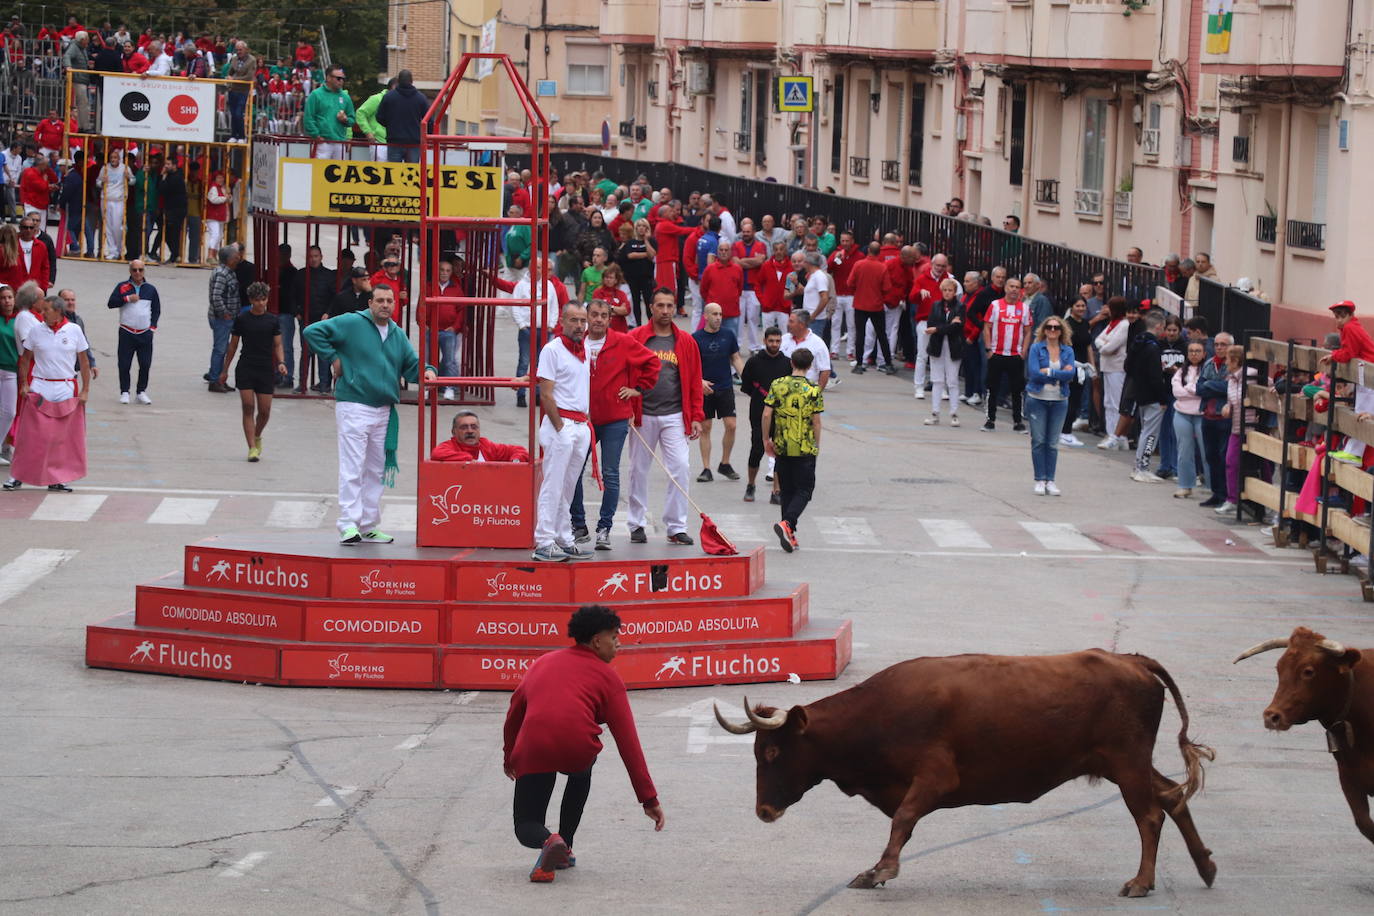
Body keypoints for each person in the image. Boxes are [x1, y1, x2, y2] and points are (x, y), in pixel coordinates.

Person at [503, 604, 664, 883]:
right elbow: (629, 743)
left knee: (526, 825)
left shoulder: (542, 662)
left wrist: (509, 757)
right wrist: (648, 798)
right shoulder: (609, 678)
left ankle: (550, 841)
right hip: (576, 749)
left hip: (533, 746)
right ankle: (565, 844)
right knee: (582, 770)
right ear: (596, 641)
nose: (619, 643)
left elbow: (514, 711)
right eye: (614, 637)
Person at [302, 283, 434, 544]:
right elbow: (312, 331)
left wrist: (427, 370)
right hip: (355, 404)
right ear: (370, 303)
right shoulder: (353, 322)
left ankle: (368, 524)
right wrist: (333, 357)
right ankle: (348, 523)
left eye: (389, 301)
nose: (385, 305)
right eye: (380, 300)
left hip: (383, 408)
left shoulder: (396, 333)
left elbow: (411, 364)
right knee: (353, 466)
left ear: (395, 305)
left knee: (375, 469)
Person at [569, 298, 658, 549]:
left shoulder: (624, 341)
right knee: (573, 470)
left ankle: (604, 528)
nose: (598, 319)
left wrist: (638, 389)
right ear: (587, 316)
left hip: (615, 419)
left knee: (610, 473)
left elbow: (652, 362)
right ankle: (578, 524)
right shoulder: (575, 342)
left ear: (610, 319)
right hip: (582, 419)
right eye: (594, 314)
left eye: (603, 315)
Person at [626, 287, 704, 546]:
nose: (666, 311)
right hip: (642, 416)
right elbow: (624, 374)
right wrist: (625, 409)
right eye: (660, 305)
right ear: (651, 307)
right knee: (638, 470)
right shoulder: (636, 337)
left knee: (680, 468)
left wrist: (696, 416)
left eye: (670, 306)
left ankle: (676, 526)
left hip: (674, 415)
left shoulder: (685, 341)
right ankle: (637, 523)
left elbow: (693, 381)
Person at [5, 295, 91, 491]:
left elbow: (84, 362)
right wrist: (24, 384)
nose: (42, 314)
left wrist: (85, 390)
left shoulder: (75, 330)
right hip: (40, 386)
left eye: (46, 310)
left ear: (58, 312)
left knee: (60, 438)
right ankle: (17, 475)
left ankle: (57, 478)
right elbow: (25, 358)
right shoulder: (36, 330)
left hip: (65, 388)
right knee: (30, 435)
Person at [531, 303, 594, 562]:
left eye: (582, 320)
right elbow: (545, 394)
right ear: (562, 321)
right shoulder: (551, 349)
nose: (579, 325)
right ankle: (543, 542)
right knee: (553, 484)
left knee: (568, 487)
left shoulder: (586, 349)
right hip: (562, 425)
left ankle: (563, 537)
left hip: (581, 425)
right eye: (574, 320)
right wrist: (560, 428)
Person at [763, 347, 824, 552]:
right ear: (810, 366)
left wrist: (766, 439)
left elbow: (766, 415)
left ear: (791, 363)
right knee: (805, 490)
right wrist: (816, 445)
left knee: (787, 490)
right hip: (804, 447)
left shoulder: (778, 384)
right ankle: (788, 523)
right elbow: (816, 422)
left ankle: (789, 532)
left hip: (782, 445)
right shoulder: (813, 389)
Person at [219, 282, 285, 462]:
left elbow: (278, 344)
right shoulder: (242, 319)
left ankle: (257, 435)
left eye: (264, 300)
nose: (261, 304)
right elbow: (233, 346)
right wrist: (225, 369)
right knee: (248, 407)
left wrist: (281, 362)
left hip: (265, 368)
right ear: (251, 301)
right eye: (257, 300)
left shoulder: (273, 320)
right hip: (246, 366)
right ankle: (252, 448)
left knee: (265, 411)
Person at [1024, 316, 1077, 496]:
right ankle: (1040, 479)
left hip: (1059, 399)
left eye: (1056, 328)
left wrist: (1050, 371)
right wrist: (1060, 373)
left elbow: (1071, 375)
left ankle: (1050, 480)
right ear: (1044, 330)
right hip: (1037, 397)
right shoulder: (1036, 348)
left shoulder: (1067, 350)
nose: (1052, 331)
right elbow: (1033, 373)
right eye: (1049, 327)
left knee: (1053, 443)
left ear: (1062, 331)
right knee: (1039, 440)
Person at [693, 302, 745, 482]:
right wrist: (698, 382)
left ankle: (725, 463)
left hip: (725, 387)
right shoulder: (696, 338)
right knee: (705, 428)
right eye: (714, 314)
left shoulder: (728, 335)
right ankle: (706, 468)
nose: (718, 318)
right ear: (705, 316)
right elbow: (691, 366)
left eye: (720, 314)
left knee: (731, 425)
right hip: (705, 390)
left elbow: (736, 358)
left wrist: (747, 378)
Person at [741, 326, 792, 504]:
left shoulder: (787, 363)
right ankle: (751, 484)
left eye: (778, 341)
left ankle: (776, 490)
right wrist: (760, 398)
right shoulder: (754, 362)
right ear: (764, 341)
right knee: (757, 449)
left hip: (781, 414)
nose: (774, 344)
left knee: (779, 451)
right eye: (771, 341)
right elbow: (746, 386)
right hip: (758, 413)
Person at [105, 260, 159, 405]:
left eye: (140, 270)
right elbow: (111, 303)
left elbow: (156, 309)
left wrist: (152, 327)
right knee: (124, 364)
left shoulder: (150, 289)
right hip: (126, 332)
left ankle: (141, 391)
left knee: (145, 364)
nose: (137, 273)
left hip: (144, 333)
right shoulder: (122, 286)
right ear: (130, 271)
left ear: (144, 271)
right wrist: (127, 299)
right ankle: (124, 391)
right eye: (134, 270)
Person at [981, 275, 1030, 433]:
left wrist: (1024, 350)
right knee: (992, 387)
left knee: (1017, 389)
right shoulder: (995, 305)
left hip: (1015, 355)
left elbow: (1028, 331)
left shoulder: (1024, 308)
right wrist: (989, 349)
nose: (1014, 290)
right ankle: (990, 420)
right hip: (997, 353)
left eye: (1017, 287)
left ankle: (1018, 421)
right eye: (1012, 286)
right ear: (1006, 288)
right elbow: (987, 327)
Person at [923, 277, 965, 426]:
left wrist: (938, 329)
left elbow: (957, 328)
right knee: (937, 380)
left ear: (955, 292)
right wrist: (945, 326)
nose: (947, 293)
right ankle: (935, 412)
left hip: (953, 346)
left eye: (950, 291)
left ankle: (954, 413)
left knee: (952, 380)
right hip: (937, 346)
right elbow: (930, 324)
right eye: (945, 290)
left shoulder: (960, 307)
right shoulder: (935, 306)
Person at [849, 242, 895, 374]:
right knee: (882, 335)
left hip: (860, 303)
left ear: (868, 250)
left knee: (860, 334)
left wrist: (858, 291)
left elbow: (850, 283)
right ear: (879, 252)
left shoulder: (859, 265)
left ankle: (859, 364)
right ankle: (888, 363)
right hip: (876, 305)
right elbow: (887, 288)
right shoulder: (882, 267)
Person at [1170, 340, 1209, 499]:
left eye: (1198, 351)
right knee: (1184, 450)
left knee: (1206, 450)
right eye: (1191, 351)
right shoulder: (1180, 372)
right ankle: (1185, 485)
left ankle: (1212, 486)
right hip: (1182, 413)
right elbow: (1177, 392)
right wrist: (1193, 390)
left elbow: (1204, 389)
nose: (1194, 354)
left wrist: (1190, 389)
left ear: (1204, 353)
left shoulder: (1207, 370)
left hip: (1202, 414)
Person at [1094, 296, 1131, 449]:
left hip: (1117, 367)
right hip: (1107, 366)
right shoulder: (1112, 324)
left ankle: (1118, 436)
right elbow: (1098, 339)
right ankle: (1111, 433)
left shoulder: (1124, 325)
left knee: (1116, 402)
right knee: (1108, 402)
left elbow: (1110, 347)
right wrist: (1104, 346)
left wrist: (1103, 347)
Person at [431, 410, 531, 462]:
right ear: (454, 432)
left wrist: (516, 461)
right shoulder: (449, 446)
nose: (470, 431)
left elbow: (520, 450)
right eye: (464, 427)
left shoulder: (487, 446)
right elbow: (437, 453)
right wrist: (467, 460)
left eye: (474, 427)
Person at [206, 246, 240, 393]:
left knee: (223, 348)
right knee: (220, 349)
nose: (238, 259)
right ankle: (214, 380)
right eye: (235, 257)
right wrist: (224, 312)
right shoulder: (222, 274)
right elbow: (216, 296)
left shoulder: (229, 272)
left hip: (228, 318)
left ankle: (220, 378)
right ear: (229, 260)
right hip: (221, 319)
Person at [376, 69, 428, 163]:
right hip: (414, 143)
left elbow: (379, 117)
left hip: (394, 141)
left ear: (398, 81)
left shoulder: (389, 97)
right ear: (412, 81)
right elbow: (428, 120)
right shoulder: (421, 98)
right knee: (412, 174)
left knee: (394, 173)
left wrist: (390, 125)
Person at [304, 65, 355, 159]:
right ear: (328, 78)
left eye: (343, 79)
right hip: (322, 143)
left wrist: (345, 119)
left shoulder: (345, 97)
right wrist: (317, 136)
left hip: (340, 142)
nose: (341, 81)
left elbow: (352, 119)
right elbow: (308, 118)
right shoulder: (316, 95)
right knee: (319, 171)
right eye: (338, 78)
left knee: (339, 172)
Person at [698, 241, 744, 337]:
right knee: (712, 340)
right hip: (713, 314)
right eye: (721, 250)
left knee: (730, 341)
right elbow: (703, 290)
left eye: (726, 250)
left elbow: (739, 289)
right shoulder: (709, 269)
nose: (723, 252)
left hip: (731, 313)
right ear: (717, 252)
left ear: (730, 252)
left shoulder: (737, 269)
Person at [780, 308, 832, 390]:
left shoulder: (818, 344)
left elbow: (825, 370)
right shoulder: (783, 339)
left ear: (801, 324)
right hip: (783, 390)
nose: (788, 324)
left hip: (806, 392)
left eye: (791, 321)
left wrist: (817, 393)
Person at [96, 148, 129, 261]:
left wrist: (128, 177)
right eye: (111, 158)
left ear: (119, 159)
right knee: (108, 226)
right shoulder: (105, 168)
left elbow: (133, 181)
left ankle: (119, 249)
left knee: (117, 227)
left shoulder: (124, 168)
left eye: (115, 158)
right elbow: (98, 182)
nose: (113, 160)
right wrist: (102, 181)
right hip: (106, 199)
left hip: (118, 200)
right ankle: (112, 251)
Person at [0, 285, 16, 464]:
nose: (7, 301)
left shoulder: (19, 320)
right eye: (3, 298)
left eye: (10, 297)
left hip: (12, 372)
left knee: (9, 412)